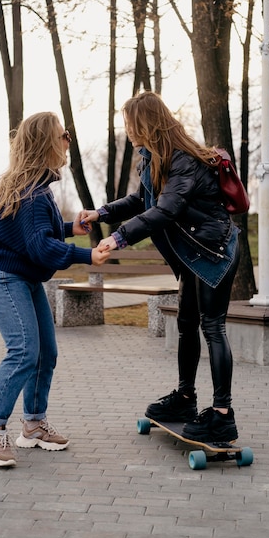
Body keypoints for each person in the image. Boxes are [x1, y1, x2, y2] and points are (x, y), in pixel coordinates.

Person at [80, 91, 240, 444]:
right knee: (186, 325)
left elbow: (166, 210)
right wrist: (102, 214)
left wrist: (119, 238)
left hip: (212, 250)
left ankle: (223, 415)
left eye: (129, 124)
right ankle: (185, 399)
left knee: (212, 327)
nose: (127, 130)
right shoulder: (153, 159)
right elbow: (142, 200)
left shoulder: (183, 160)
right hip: (190, 254)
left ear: (145, 124)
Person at [0, 112, 110, 467]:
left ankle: (33, 424)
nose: (68, 141)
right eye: (64, 135)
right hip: (3, 278)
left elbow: (34, 235)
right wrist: (87, 255)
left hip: (21, 278)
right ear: (48, 142)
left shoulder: (36, 188)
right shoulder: (33, 193)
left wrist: (70, 228)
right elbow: (40, 247)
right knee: (23, 351)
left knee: (45, 353)